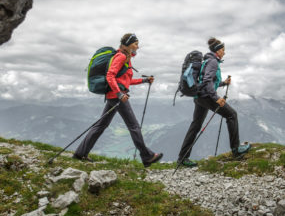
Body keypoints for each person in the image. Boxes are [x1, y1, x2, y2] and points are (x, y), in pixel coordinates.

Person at [73, 33, 163, 167]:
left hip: (114, 96)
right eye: (136, 44)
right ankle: (147, 156)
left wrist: (144, 80)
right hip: (117, 97)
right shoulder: (121, 57)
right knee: (134, 126)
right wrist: (120, 94)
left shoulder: (126, 57)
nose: (138, 47)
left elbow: (125, 81)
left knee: (101, 125)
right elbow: (110, 76)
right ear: (128, 44)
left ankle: (80, 153)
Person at [177, 37, 251, 167]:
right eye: (223, 50)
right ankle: (236, 149)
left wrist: (223, 83)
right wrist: (216, 98)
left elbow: (208, 81)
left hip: (199, 97)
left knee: (195, 126)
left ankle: (182, 158)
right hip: (207, 97)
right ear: (217, 51)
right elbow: (206, 81)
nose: (224, 52)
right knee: (232, 115)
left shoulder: (206, 61)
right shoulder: (213, 62)